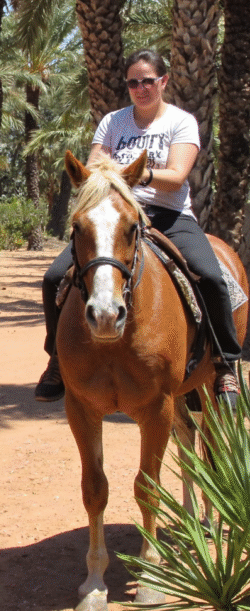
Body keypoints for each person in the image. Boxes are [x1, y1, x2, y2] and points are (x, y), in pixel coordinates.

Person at [34, 49, 243, 408]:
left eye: (148, 81)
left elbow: (177, 177)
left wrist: (140, 174)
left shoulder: (181, 122)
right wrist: (107, 173)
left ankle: (225, 363)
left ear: (163, 81)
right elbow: (96, 162)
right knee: (55, 277)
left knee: (210, 276)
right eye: (133, 82)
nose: (140, 88)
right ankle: (55, 358)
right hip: (116, 216)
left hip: (168, 216)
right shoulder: (114, 122)